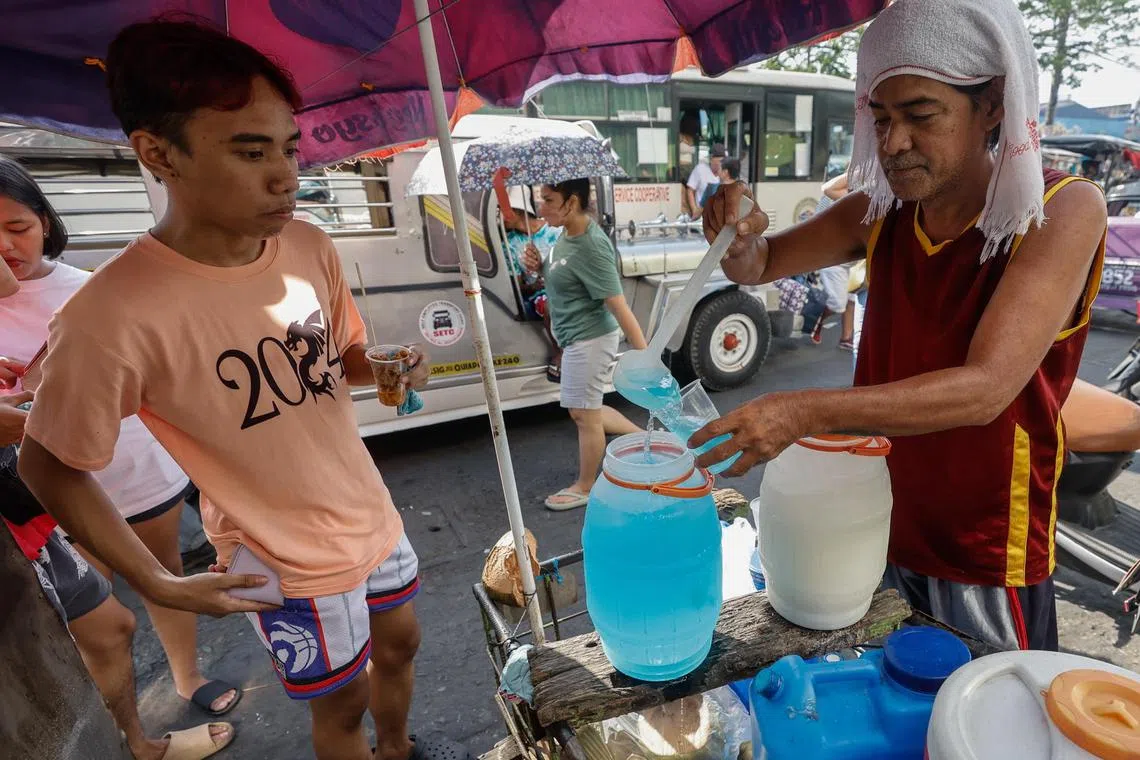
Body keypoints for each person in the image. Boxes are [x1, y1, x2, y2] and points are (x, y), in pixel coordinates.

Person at [15, 19, 460, 760]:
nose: (287, 175)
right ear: (158, 153)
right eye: (251, 152)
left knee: (404, 642)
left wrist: (382, 367)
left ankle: (401, 750)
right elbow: (47, 462)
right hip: (282, 555)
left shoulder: (309, 245)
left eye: (289, 147)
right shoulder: (109, 315)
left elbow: (339, 357)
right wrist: (156, 579)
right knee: (340, 703)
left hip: (369, 512)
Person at [696, 0, 1108, 652]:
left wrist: (805, 413)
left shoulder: (1061, 210)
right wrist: (735, 232)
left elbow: (986, 387)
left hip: (984, 548)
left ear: (993, 104)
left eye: (921, 115)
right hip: (876, 522)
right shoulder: (882, 211)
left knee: (981, 728)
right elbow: (763, 262)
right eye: (881, 118)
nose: (893, 144)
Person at [0, 155, 241, 718]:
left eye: (18, 228)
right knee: (92, 608)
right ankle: (116, 714)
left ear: (45, 223)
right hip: (46, 487)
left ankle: (187, 676)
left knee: (166, 575)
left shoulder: (89, 288)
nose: (8, 247)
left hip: (135, 464)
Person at [523, 178, 647, 511]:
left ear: (572, 202)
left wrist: (647, 358)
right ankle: (641, 437)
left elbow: (619, 305)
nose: (540, 207)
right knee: (582, 409)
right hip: (575, 337)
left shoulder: (592, 245)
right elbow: (563, 281)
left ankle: (586, 487)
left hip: (590, 338)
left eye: (548, 200)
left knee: (585, 416)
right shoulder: (565, 234)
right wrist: (537, 269)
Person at [502, 187, 562, 380]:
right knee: (549, 304)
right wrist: (533, 285)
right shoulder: (509, 242)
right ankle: (560, 351)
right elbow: (518, 284)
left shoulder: (555, 231)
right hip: (539, 293)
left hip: (566, 285)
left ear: (517, 212)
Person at [687, 143, 725, 219]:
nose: (720, 164)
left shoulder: (726, 173)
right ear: (711, 159)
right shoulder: (700, 169)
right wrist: (694, 210)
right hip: (703, 216)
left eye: (723, 161)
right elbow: (690, 190)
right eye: (718, 161)